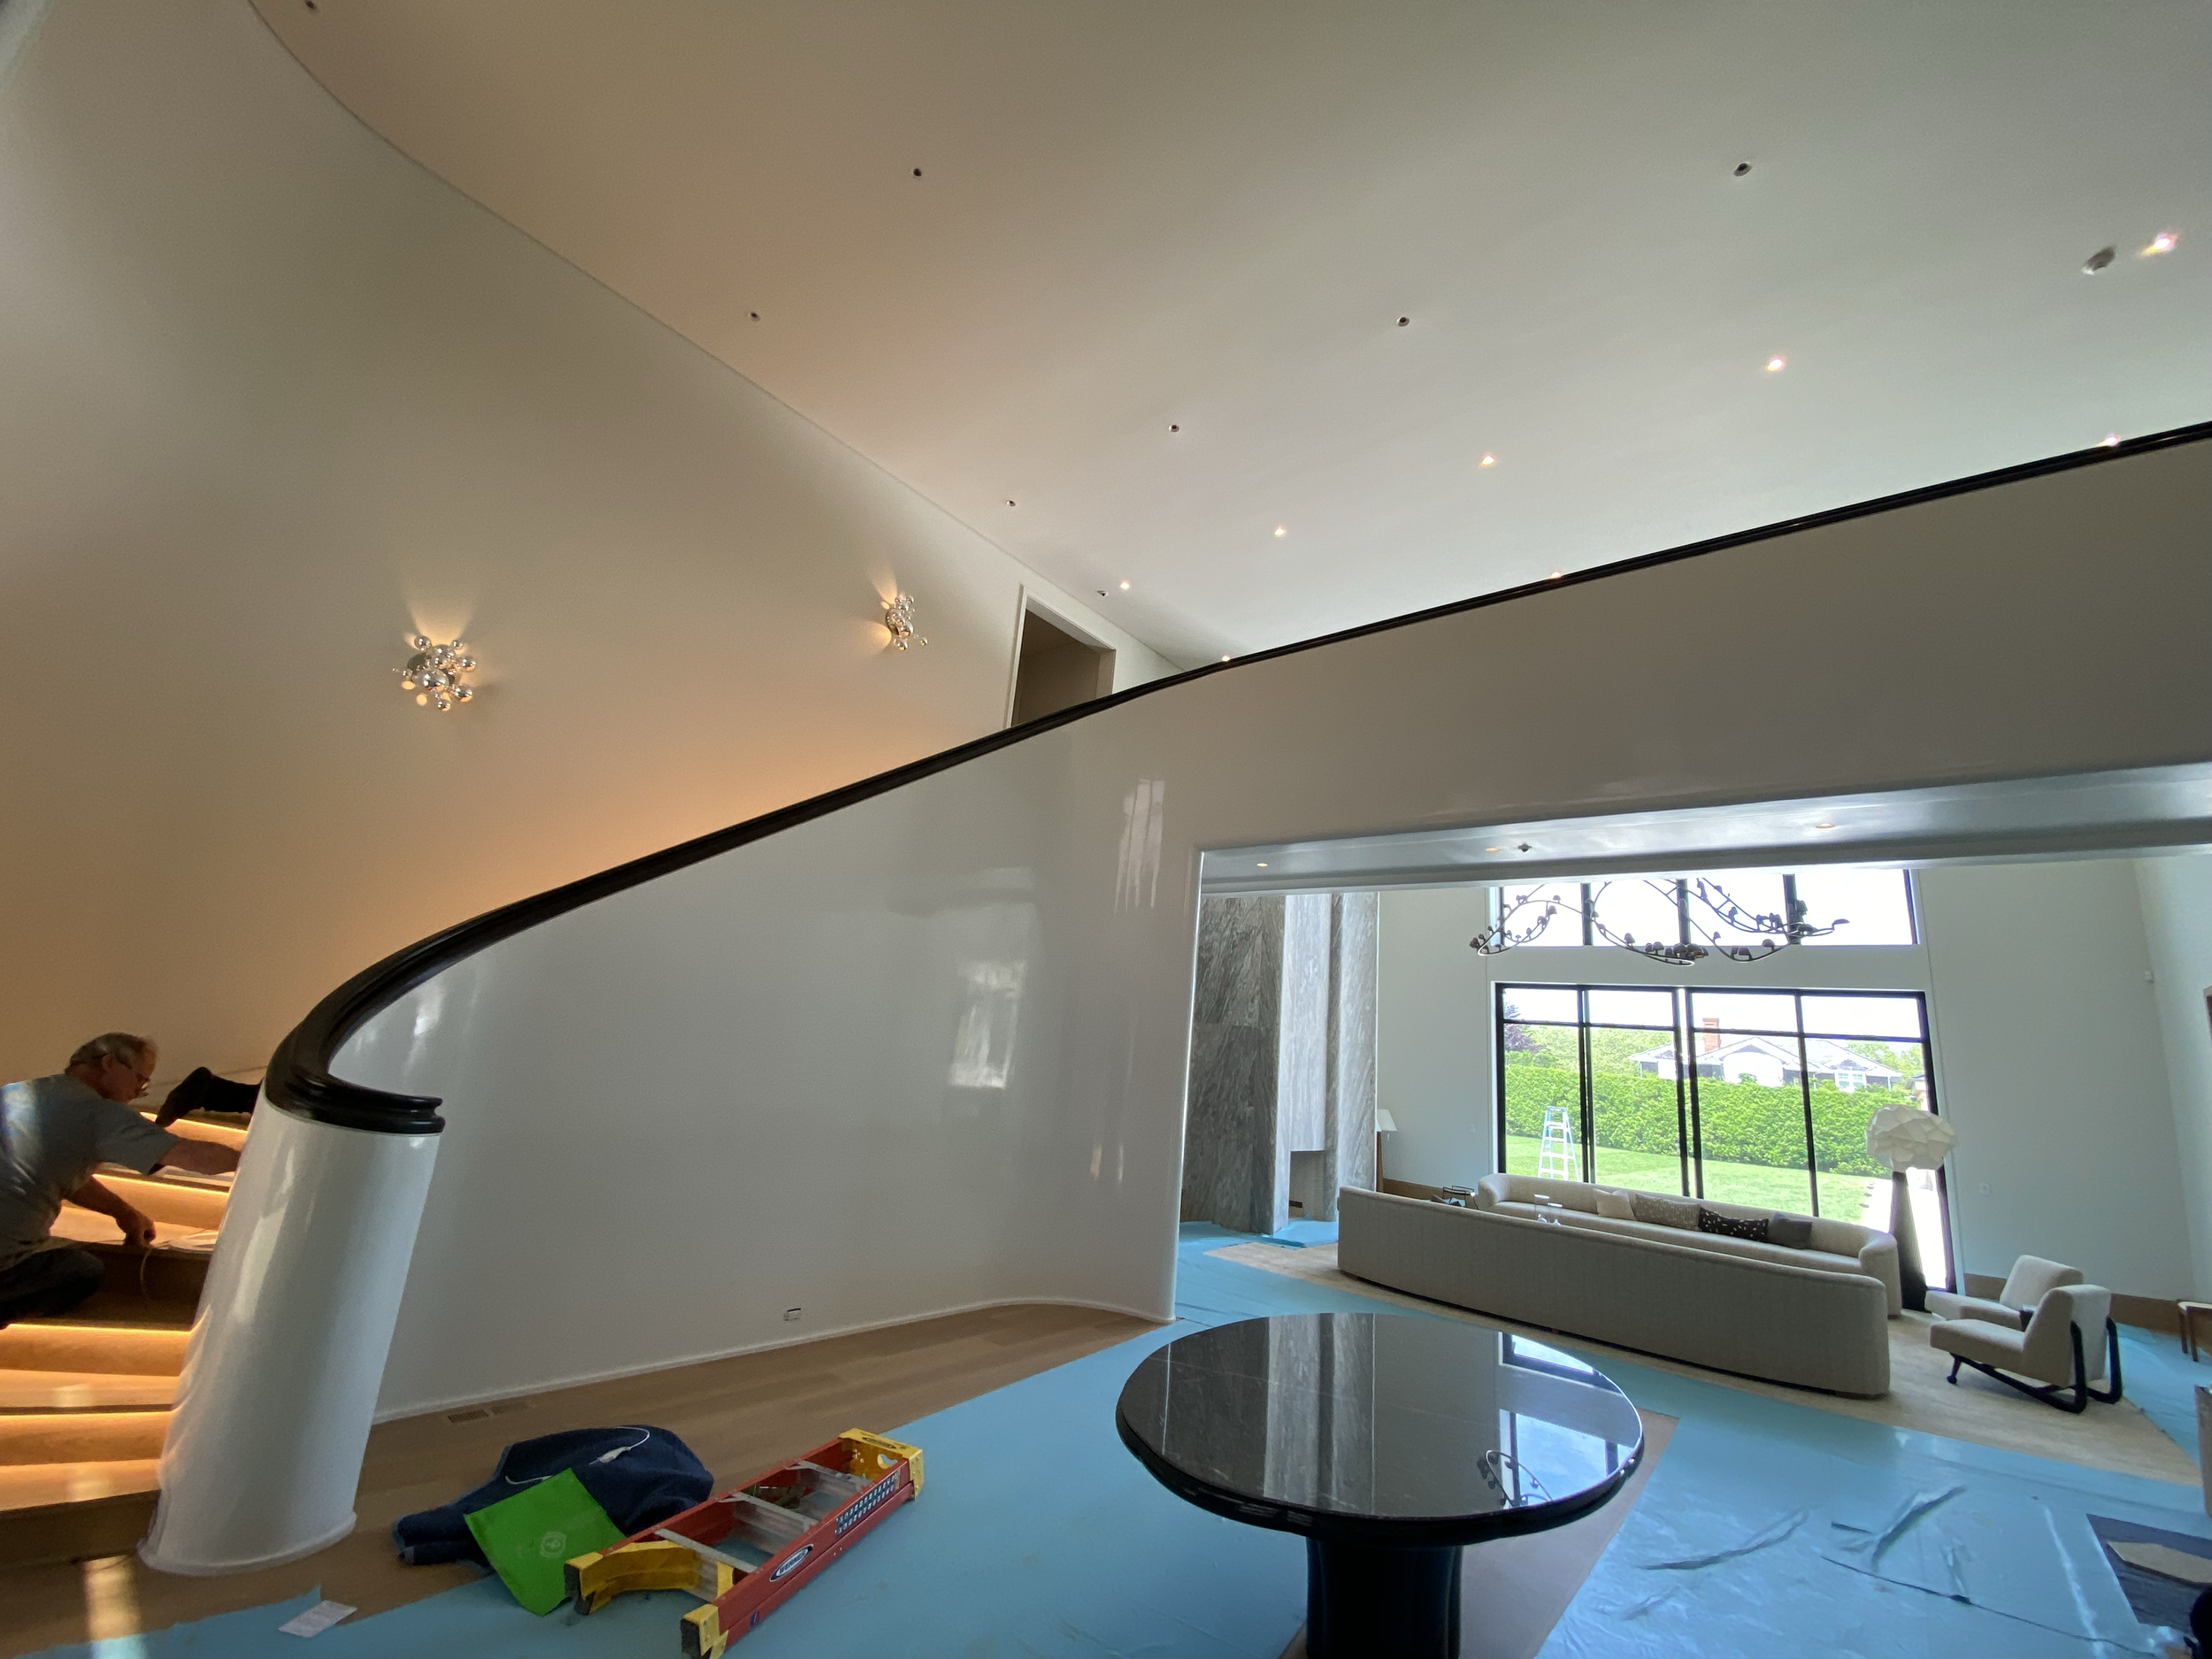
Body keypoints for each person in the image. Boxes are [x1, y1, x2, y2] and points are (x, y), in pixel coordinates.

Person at [0, 1033, 242, 1327]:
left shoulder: (19, 1093)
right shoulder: (98, 1113)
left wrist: (125, 1213)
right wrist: (258, 1159)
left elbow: (63, 1175)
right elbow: (189, 1155)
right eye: (141, 1081)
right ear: (110, 1062)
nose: (138, 1094)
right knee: (81, 1270)